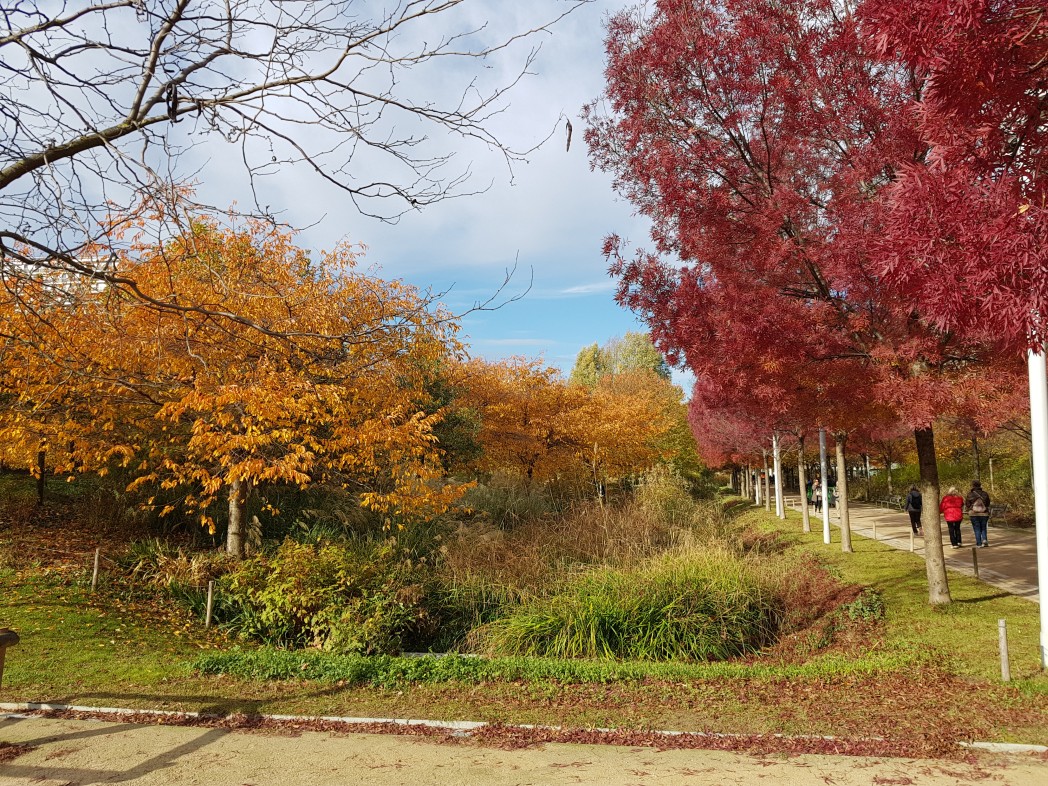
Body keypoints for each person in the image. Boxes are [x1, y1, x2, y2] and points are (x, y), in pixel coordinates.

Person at [966, 479, 992, 548]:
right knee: (983, 527)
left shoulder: (970, 494)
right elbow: (988, 503)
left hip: (974, 514)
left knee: (977, 528)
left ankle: (979, 543)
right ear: (980, 485)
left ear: (973, 486)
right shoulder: (985, 493)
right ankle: (985, 540)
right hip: (984, 513)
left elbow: (968, 505)